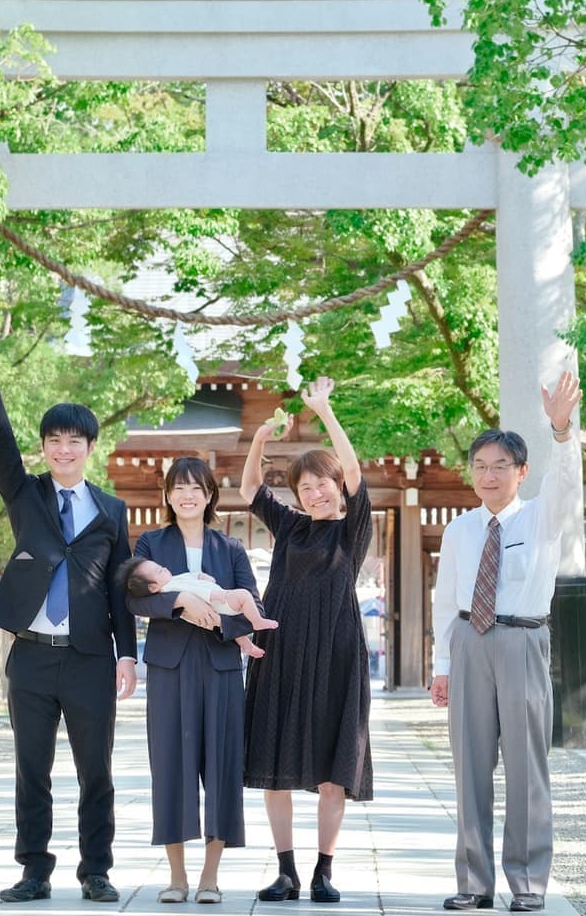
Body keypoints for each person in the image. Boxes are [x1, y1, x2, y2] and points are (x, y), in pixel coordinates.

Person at [0, 314, 137, 905]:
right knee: (31, 770)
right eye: (54, 440)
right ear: (46, 447)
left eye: (73, 440)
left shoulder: (110, 510)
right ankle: (34, 870)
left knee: (95, 773)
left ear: (89, 448)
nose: (63, 448)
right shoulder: (26, 494)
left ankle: (96, 870)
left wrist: (127, 655)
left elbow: (120, 588)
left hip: (88, 659)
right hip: (29, 656)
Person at [430, 371, 582, 914]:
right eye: (480, 467)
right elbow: (445, 602)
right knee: (469, 768)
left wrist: (561, 430)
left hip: (522, 643)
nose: (489, 476)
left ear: (522, 472)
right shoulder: (459, 530)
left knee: (526, 767)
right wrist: (441, 664)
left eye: (500, 467)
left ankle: (527, 882)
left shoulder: (542, 517)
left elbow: (567, 484)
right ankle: (473, 882)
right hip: (470, 640)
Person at [239, 377, 373, 905]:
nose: (314, 493)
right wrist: (260, 440)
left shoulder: (351, 530)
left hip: (336, 653)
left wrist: (324, 410)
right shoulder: (291, 527)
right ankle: (286, 871)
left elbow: (358, 471)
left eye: (323, 484)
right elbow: (250, 488)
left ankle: (324, 871)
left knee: (331, 771)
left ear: (337, 485)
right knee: (274, 762)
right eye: (305, 488)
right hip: (282, 650)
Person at [128, 456, 267, 905]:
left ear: (209, 496)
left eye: (196, 488)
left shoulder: (230, 550)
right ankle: (176, 877)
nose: (187, 495)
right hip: (169, 669)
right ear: (167, 496)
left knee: (222, 767)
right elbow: (132, 599)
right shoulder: (150, 543)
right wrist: (181, 600)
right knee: (170, 765)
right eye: (178, 488)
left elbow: (254, 610)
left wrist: (217, 624)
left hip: (222, 668)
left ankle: (210, 877)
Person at [119, 555, 277, 657]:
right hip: (216, 602)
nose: (165, 568)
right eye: (160, 571)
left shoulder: (174, 580)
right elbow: (194, 588)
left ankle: (246, 645)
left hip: (214, 615)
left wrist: (201, 576)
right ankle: (257, 621)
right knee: (243, 595)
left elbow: (191, 578)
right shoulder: (169, 588)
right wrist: (213, 594)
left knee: (235, 630)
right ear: (153, 588)